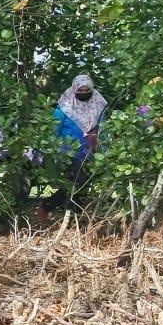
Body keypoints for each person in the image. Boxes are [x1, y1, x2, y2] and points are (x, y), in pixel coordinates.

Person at [38, 74, 107, 221]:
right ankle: (43, 212)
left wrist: (104, 152)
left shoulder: (98, 106)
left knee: (81, 189)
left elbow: (103, 131)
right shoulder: (64, 108)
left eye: (86, 91)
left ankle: (74, 221)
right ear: (74, 90)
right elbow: (52, 131)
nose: (83, 94)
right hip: (64, 155)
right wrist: (51, 154)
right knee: (61, 187)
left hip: (86, 154)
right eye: (80, 91)